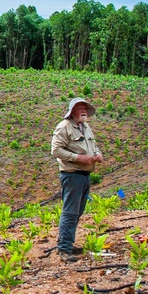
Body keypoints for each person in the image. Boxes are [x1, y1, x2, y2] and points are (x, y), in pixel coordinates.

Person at [51, 98, 104, 262]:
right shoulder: (64, 127)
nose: (83, 111)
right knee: (70, 211)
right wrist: (78, 158)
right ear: (72, 111)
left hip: (84, 174)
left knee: (78, 211)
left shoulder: (86, 127)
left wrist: (98, 154)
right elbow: (56, 150)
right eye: (79, 108)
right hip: (72, 174)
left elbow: (92, 146)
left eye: (85, 108)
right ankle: (64, 249)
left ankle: (67, 243)